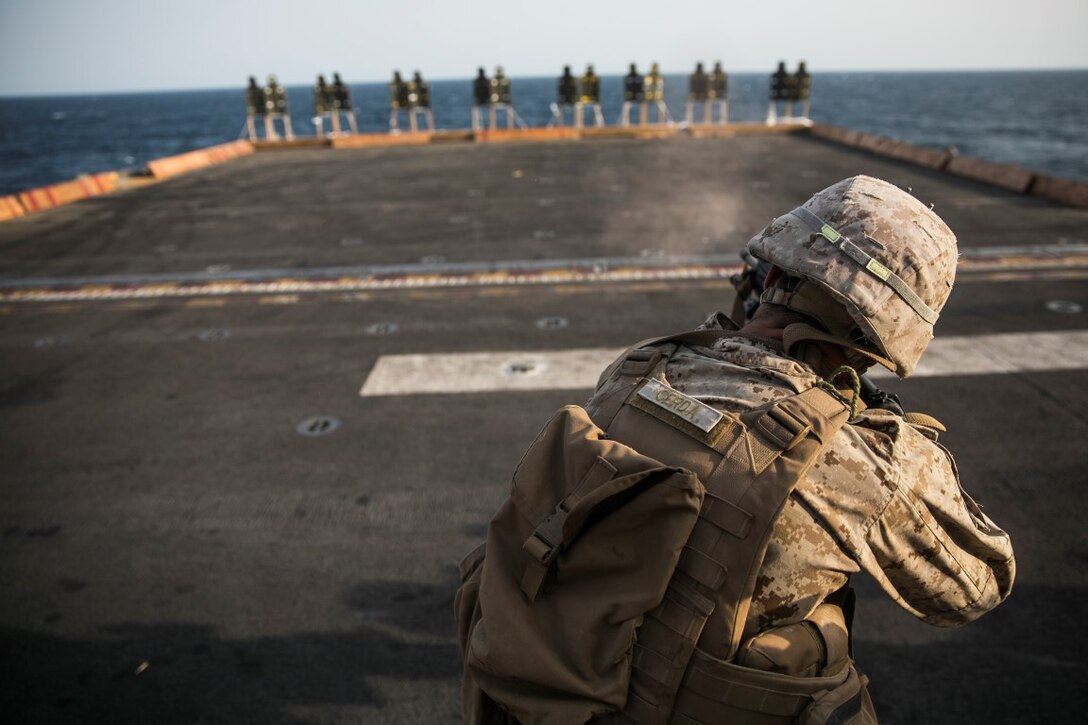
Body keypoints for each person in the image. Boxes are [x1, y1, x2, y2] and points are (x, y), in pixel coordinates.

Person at [456, 176, 1015, 723]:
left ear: (771, 271)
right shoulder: (862, 462)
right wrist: (898, 440)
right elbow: (976, 587)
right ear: (888, 340)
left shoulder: (638, 368)